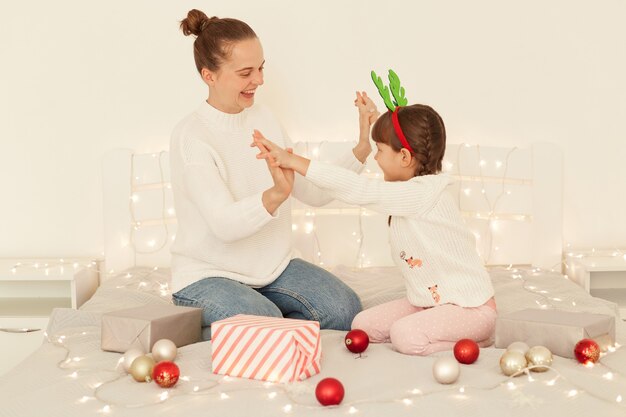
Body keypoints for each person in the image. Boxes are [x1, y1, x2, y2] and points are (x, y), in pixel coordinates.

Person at [169, 9, 370, 340]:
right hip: (208, 275)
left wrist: (362, 148)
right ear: (209, 75)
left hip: (273, 269)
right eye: (246, 72)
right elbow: (224, 225)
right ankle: (212, 322)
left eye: (261, 68)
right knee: (269, 326)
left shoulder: (265, 118)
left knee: (346, 310)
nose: (259, 80)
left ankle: (247, 318)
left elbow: (313, 192)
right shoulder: (192, 137)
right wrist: (275, 195)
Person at [252, 97, 497, 356]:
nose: (376, 158)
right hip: (430, 304)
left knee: (405, 335)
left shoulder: (423, 193)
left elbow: (359, 189)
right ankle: (434, 330)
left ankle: (478, 341)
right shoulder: (407, 190)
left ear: (404, 156)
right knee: (363, 324)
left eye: (379, 150)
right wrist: (376, 124)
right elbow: (392, 152)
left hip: (471, 309)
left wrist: (295, 162)